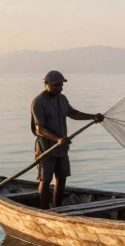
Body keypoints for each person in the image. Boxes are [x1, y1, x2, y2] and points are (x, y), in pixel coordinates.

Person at [31, 70, 104, 210]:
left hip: (62, 147)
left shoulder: (62, 99)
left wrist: (93, 116)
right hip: (46, 147)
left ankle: (58, 208)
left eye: (61, 84)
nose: (60, 87)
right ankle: (44, 210)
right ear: (46, 84)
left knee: (61, 177)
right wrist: (57, 138)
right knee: (45, 180)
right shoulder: (38, 102)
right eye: (56, 85)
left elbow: (73, 113)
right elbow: (40, 128)